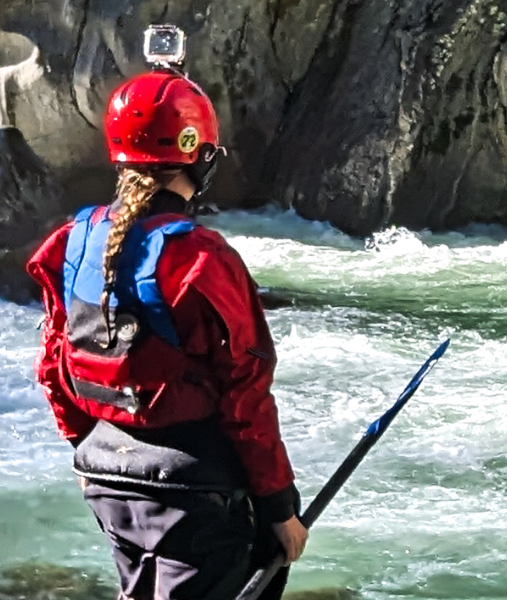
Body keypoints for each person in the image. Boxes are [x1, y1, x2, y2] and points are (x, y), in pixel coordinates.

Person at [25, 66, 308, 600]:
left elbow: (54, 364)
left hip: (107, 476)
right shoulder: (202, 258)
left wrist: (83, 448)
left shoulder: (72, 240)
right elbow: (246, 391)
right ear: (200, 157)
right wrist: (278, 506)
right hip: (194, 489)